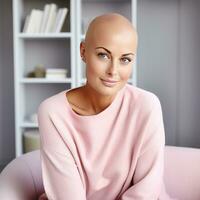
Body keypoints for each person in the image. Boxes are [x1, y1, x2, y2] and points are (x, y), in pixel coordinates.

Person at [38, 13, 173, 200]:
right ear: (83, 51)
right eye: (103, 55)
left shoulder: (146, 106)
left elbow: (146, 193)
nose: (113, 71)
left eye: (125, 59)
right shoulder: (53, 112)